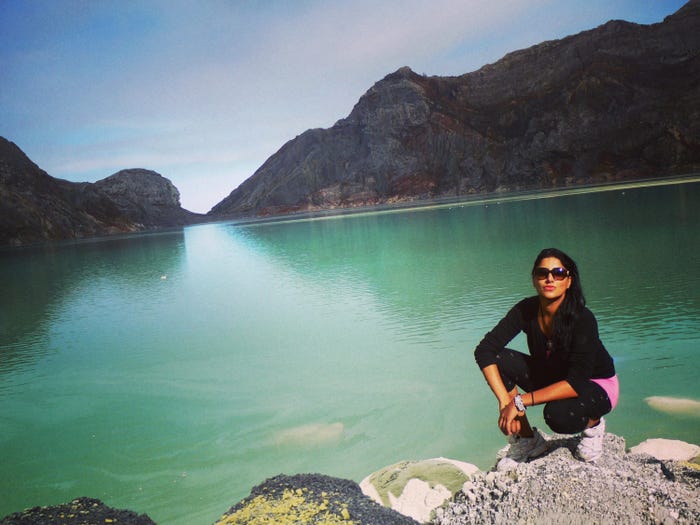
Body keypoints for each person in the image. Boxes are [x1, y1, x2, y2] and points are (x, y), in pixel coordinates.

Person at [474, 248, 619, 469]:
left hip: (595, 385)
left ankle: (594, 426)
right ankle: (528, 439)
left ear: (568, 281)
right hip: (554, 375)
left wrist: (520, 401)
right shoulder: (526, 310)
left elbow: (576, 382)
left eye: (558, 273)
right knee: (498, 358)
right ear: (534, 280)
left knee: (558, 416)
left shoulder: (582, 318)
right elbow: (485, 350)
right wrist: (506, 402)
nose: (550, 278)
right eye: (542, 273)